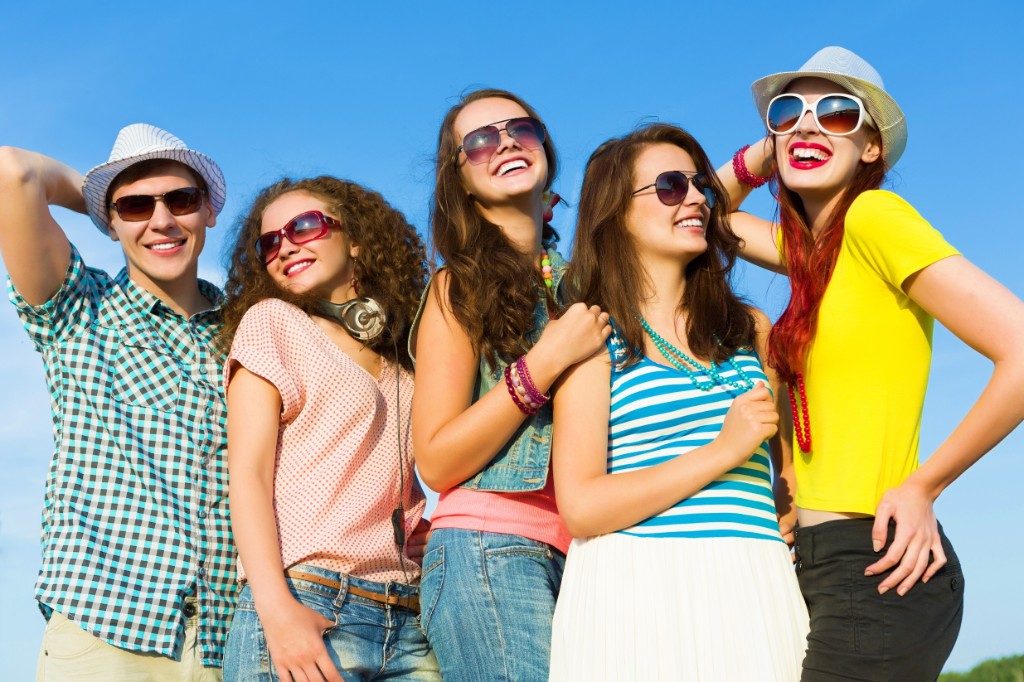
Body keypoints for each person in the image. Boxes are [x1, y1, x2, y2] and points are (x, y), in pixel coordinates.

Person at [722, 46, 1024, 680]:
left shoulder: (873, 217)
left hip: (879, 564)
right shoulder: (811, 257)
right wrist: (768, 147)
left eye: (836, 113)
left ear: (872, 149)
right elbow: (698, 212)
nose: (807, 124)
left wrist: (924, 485)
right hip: (820, 562)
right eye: (787, 111)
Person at [548, 123, 809, 680]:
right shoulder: (595, 334)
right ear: (615, 212)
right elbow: (582, 506)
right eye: (669, 186)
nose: (693, 197)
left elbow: (784, 482)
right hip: (637, 590)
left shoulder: (749, 330)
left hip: (756, 581)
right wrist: (721, 450)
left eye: (699, 186)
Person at [0, 124, 232, 680]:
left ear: (209, 212)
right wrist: (108, 209)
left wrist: (133, 210)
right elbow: (13, 172)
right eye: (135, 206)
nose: (162, 220)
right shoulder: (77, 311)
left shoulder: (249, 330)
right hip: (107, 635)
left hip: (236, 640)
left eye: (181, 199)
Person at [409, 88, 611, 681]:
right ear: (461, 181)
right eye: (479, 141)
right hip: (490, 552)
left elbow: (674, 212)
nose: (503, 144)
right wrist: (542, 365)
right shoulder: (458, 287)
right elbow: (436, 460)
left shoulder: (584, 283)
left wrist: (762, 155)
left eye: (519, 130)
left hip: (587, 553)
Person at [219, 177, 440, 681]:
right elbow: (247, 478)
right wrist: (276, 613)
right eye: (269, 241)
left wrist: (432, 529)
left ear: (355, 238)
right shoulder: (273, 323)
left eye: (305, 226)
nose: (285, 246)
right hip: (310, 600)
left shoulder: (402, 354)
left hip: (408, 617)